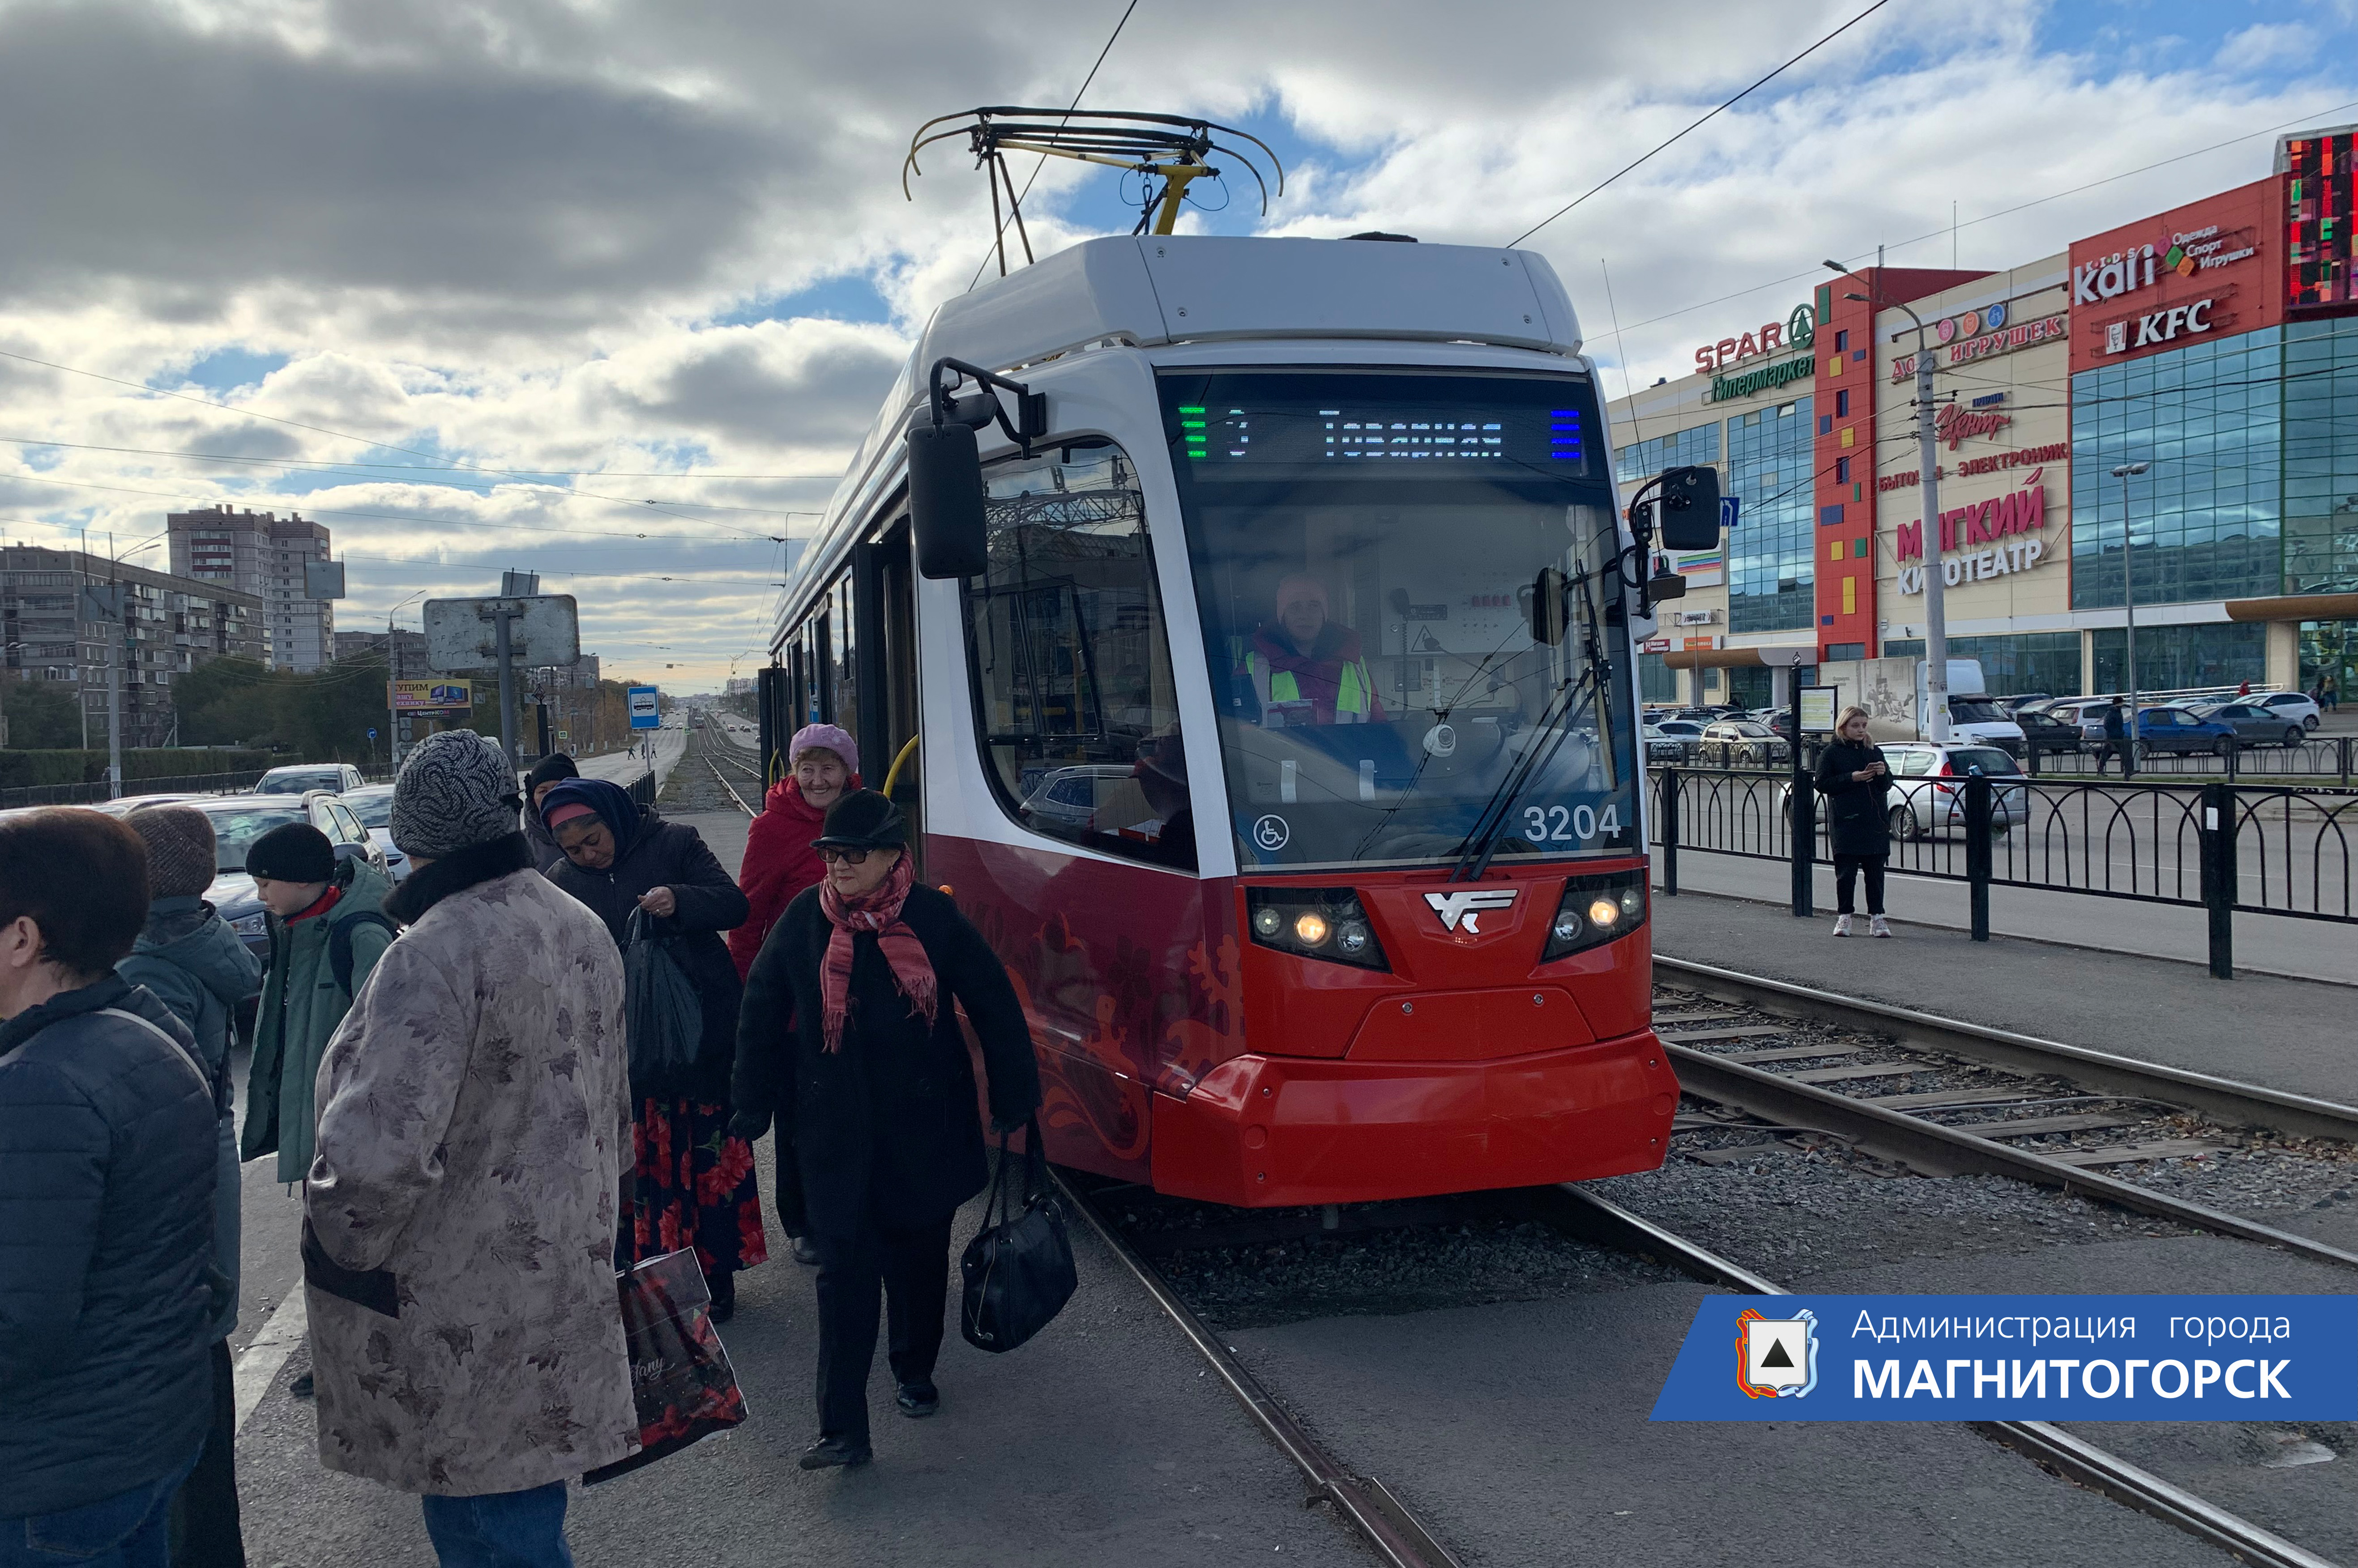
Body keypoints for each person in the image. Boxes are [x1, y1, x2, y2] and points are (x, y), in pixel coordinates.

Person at [305, 729, 636, 1568]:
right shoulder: (579, 920)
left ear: (414, 835)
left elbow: (374, 1154)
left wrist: (341, 1243)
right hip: (564, 1260)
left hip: (459, 1290)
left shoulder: (433, 949)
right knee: (523, 1498)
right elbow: (613, 1104)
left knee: (486, 1520)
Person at [731, 789, 1042, 1470]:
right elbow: (760, 1009)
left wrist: (1016, 1094)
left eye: (853, 855)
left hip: (922, 1128)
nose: (838, 868)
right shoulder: (802, 921)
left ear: (893, 857)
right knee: (842, 1278)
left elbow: (992, 1000)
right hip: (835, 1134)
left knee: (918, 1266)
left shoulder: (933, 917)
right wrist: (750, 1102)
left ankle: (914, 1370)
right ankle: (842, 1429)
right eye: (830, 856)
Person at [0, 810, 217, 1568]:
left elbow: (19, 1321)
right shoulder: (142, 1024)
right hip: (142, 1430)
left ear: (23, 937)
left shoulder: (37, 1084)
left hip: (46, 1472)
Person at [541, 776, 763, 1319]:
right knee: (641, 1169)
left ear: (613, 820)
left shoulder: (675, 843)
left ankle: (716, 1278)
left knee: (707, 1156)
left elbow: (735, 906)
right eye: (573, 849)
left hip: (699, 1040)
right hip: (623, 1052)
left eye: (594, 839)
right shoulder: (561, 881)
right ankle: (653, 1279)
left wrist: (679, 901)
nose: (588, 855)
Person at [115, 807, 264, 1568]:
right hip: (212, 1161)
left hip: (179, 1192)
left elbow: (143, 1115)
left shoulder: (143, 963)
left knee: (178, 1390)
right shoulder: (206, 939)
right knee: (204, 1370)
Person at [726, 723, 860, 1269]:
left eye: (829, 767)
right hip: (796, 996)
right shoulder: (773, 828)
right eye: (807, 767)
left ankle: (854, 1209)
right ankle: (803, 1220)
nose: (817, 778)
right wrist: (745, 995)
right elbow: (747, 916)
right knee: (799, 1115)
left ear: (847, 772)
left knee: (855, 1106)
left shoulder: (864, 815)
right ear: (793, 771)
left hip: (860, 992)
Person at [1239, 573, 1384, 726]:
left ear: (1324, 615)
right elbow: (1238, 733)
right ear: (1282, 616)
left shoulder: (1355, 665)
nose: (1305, 615)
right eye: (1295, 607)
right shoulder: (1252, 667)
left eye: (1314, 606)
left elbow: (1380, 729)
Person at [1815, 705, 1893, 938]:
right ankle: (1845, 917)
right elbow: (1822, 783)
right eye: (1855, 726)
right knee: (1846, 873)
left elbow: (1887, 785)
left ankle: (1877, 918)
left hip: (1875, 821)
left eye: (1864, 726)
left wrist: (1882, 773)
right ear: (1843, 727)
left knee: (1876, 873)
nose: (1861, 730)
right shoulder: (1831, 753)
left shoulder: (1873, 751)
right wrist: (1852, 778)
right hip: (1846, 822)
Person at [522, 753, 581, 872]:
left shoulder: (598, 831)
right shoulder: (522, 845)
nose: (551, 796)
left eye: (558, 787)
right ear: (533, 797)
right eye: (543, 791)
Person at [2097, 695, 2136, 778]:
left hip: (2117, 736)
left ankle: (2128, 771)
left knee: (2110, 753)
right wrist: (2114, 734)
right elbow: (2107, 725)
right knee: (2111, 753)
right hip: (2112, 737)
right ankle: (2128, 772)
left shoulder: (2117, 711)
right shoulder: (2112, 713)